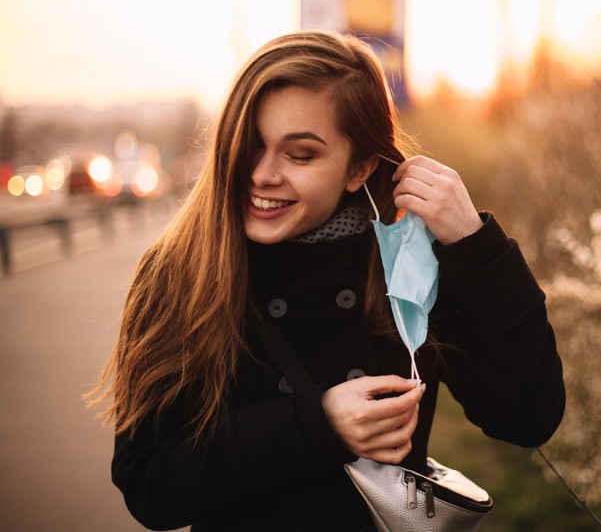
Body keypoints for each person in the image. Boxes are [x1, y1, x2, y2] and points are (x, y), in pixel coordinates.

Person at [87, 30, 565, 531]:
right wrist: (316, 426)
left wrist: (476, 244)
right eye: (249, 146)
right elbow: (150, 486)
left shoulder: (407, 268)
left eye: (300, 155)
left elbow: (527, 417)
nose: (262, 174)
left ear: (358, 166)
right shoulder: (180, 270)